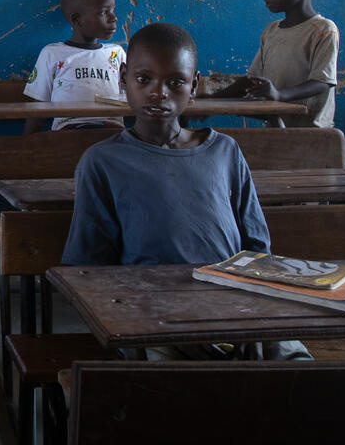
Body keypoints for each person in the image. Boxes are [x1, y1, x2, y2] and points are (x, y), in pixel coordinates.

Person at [61, 22, 308, 360]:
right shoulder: (103, 161)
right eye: (143, 79)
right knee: (169, 379)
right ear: (123, 78)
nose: (158, 92)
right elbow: (90, 266)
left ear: (193, 86)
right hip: (153, 312)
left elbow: (256, 246)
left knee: (294, 362)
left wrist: (248, 306)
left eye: (175, 82)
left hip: (233, 304)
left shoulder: (224, 151)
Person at [212, 0, 338, 127]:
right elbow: (252, 79)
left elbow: (322, 82)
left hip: (311, 132)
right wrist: (213, 99)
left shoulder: (323, 30)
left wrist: (279, 95)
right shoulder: (271, 31)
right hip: (277, 129)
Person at [22, 0, 125, 133]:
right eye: (104, 12)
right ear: (78, 20)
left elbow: (131, 97)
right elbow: (39, 104)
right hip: (69, 131)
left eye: (112, 10)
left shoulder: (116, 53)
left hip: (111, 130)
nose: (113, 18)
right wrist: (26, 142)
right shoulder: (53, 53)